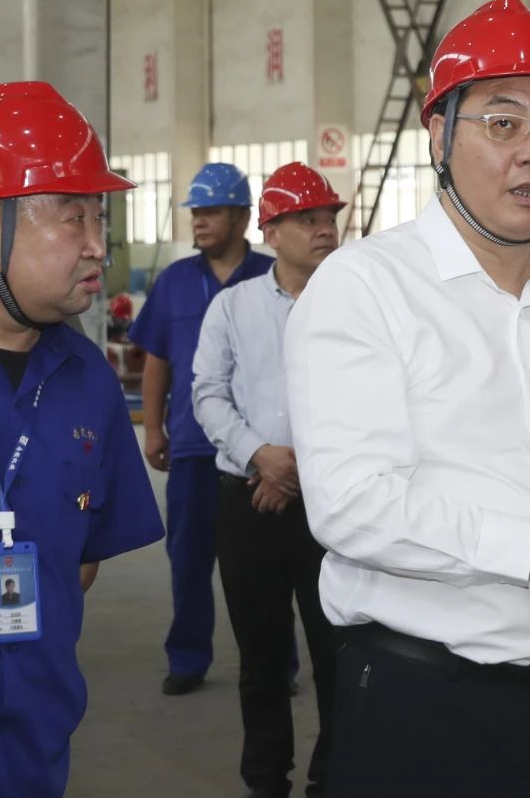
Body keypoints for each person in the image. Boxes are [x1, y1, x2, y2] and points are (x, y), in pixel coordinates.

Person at [283, 0, 530, 798]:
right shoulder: (366, 286)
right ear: (439, 135)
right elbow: (352, 501)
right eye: (503, 123)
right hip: (425, 711)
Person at [0, 81, 164, 797]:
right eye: (73, 217)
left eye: (99, 215)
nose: (98, 244)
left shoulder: (88, 378)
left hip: (33, 752)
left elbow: (81, 563)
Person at [193, 162, 342, 798]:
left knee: (339, 654)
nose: (325, 229)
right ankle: (265, 781)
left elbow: (374, 400)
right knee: (261, 658)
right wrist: (261, 455)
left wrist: (297, 467)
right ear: (272, 233)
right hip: (249, 503)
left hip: (334, 504)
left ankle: (332, 778)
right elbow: (208, 393)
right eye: (307, 219)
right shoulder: (233, 307)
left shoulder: (358, 305)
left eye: (330, 217)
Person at [129, 162, 273, 695]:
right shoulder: (174, 282)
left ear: (241, 217)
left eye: (211, 211)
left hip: (259, 452)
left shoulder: (270, 278)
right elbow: (157, 359)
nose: (200, 222)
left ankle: (273, 663)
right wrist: (154, 429)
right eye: (196, 212)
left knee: (263, 566)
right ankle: (188, 659)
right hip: (193, 446)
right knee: (187, 562)